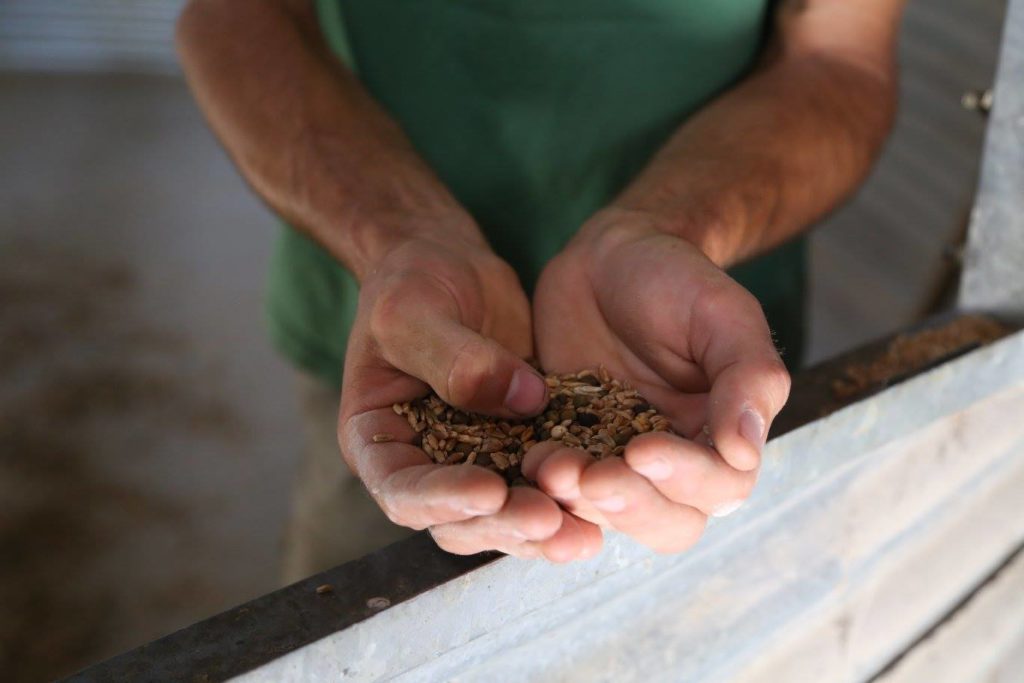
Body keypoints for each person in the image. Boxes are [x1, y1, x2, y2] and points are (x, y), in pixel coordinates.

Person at [177, 0, 905, 580]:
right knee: (361, 606)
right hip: (401, 339)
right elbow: (238, 15)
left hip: (677, 361)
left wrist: (668, 228)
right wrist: (397, 235)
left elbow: (838, 56)